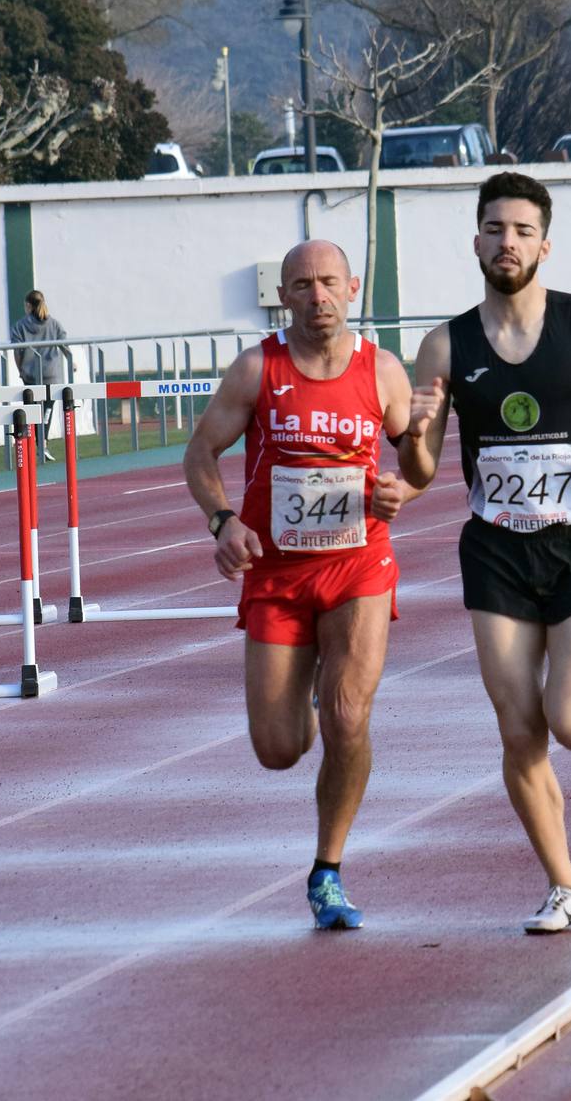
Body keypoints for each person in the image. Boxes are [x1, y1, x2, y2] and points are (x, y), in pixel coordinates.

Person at [399, 172, 571, 934]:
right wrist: (416, 433)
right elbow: (420, 475)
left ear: (543, 244)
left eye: (521, 231)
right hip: (495, 554)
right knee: (519, 731)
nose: (506, 242)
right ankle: (563, 883)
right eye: (494, 229)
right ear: (475, 241)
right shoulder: (443, 344)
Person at [184, 239, 416, 931]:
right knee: (279, 748)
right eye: (302, 285)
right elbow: (200, 454)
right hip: (277, 574)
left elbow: (417, 457)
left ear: (351, 288)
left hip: (358, 565)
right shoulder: (258, 368)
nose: (318, 296)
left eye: (328, 283)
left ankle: (328, 870)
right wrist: (223, 521)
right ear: (283, 296)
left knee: (347, 715)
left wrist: (400, 487)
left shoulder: (383, 371)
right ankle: (314, 693)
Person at [10, 289, 68, 459]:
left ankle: (35, 443)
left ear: (28, 305)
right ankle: (42, 443)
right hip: (50, 373)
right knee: (47, 410)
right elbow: (65, 343)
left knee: (33, 409)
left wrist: (20, 369)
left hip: (30, 374)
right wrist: (71, 361)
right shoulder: (54, 324)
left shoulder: (20, 326)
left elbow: (16, 351)